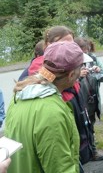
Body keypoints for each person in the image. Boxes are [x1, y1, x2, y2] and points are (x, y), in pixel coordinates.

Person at [4, 41, 84, 172]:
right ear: (71, 75)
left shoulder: (20, 95)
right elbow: (60, 168)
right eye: (80, 67)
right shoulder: (53, 112)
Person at [74, 37, 103, 161]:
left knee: (91, 127)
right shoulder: (72, 62)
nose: (85, 54)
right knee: (78, 129)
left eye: (87, 51)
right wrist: (79, 76)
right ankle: (80, 155)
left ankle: (93, 152)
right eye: (83, 52)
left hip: (92, 100)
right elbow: (68, 84)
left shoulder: (93, 59)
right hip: (79, 102)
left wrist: (98, 72)